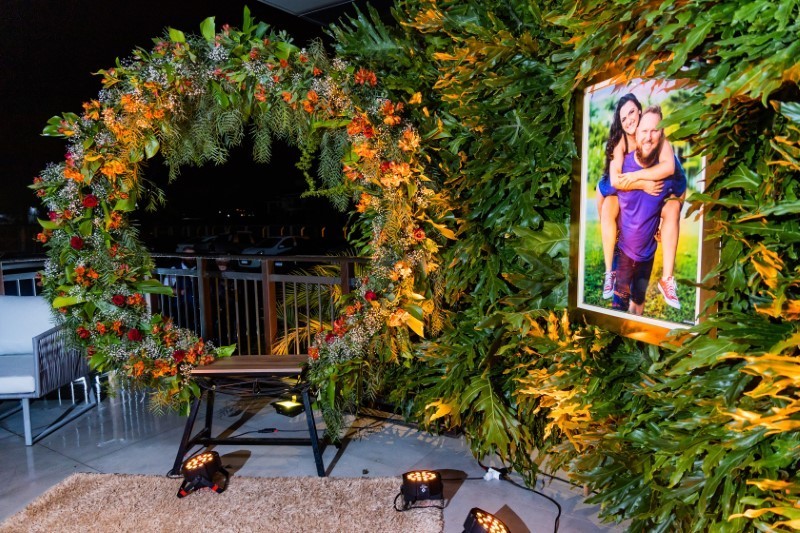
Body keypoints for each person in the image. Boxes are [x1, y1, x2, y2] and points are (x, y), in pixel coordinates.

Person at [596, 93, 685, 309]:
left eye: (631, 113)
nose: (629, 120)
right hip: (622, 189)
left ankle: (667, 280)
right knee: (607, 204)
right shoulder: (621, 144)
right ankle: (609, 272)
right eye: (623, 118)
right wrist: (642, 183)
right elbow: (609, 184)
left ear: (639, 110)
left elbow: (672, 172)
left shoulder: (659, 141)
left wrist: (667, 221)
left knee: (673, 206)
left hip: (645, 241)